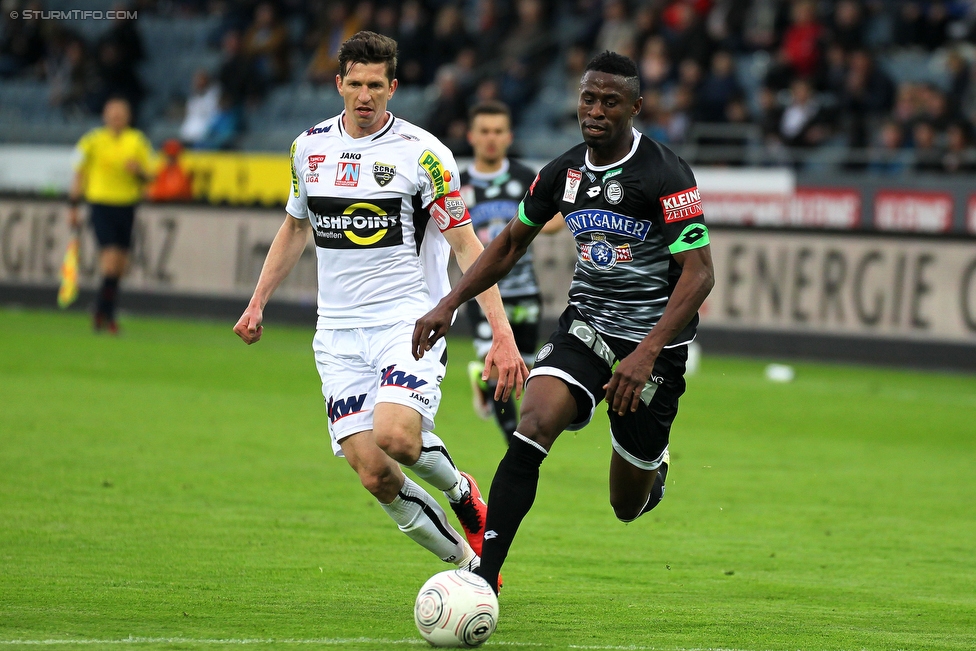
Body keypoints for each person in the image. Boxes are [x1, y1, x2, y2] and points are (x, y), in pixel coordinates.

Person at [413, 51, 715, 593]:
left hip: (653, 347)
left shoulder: (667, 173)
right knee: (531, 426)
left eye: (610, 101)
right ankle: (485, 575)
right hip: (587, 329)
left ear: (636, 108)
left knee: (627, 505)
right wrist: (450, 302)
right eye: (588, 98)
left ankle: (655, 467)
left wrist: (645, 353)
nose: (595, 110)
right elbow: (506, 245)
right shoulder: (563, 172)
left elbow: (699, 275)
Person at [233, 31, 528, 575]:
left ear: (392, 87)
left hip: (408, 321)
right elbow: (296, 226)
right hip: (338, 333)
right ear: (338, 83)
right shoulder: (308, 148)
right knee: (373, 471)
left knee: (396, 436)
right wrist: (258, 303)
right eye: (355, 84)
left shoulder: (425, 154)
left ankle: (463, 494)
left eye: (376, 85)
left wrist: (501, 334)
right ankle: (468, 567)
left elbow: (467, 245)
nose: (364, 95)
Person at [460, 100, 562, 442]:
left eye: (498, 131)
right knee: (498, 369)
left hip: (524, 288)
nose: (491, 138)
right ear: (471, 136)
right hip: (484, 292)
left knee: (526, 370)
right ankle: (512, 443)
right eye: (485, 131)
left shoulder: (525, 178)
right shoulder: (457, 184)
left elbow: (557, 219)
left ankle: (481, 381)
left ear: (509, 136)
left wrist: (520, 227)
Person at [68, 97, 154, 334]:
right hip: (101, 205)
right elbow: (78, 175)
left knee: (120, 266)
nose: (116, 118)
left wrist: (139, 172)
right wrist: (73, 206)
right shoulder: (92, 141)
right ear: (105, 116)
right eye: (112, 114)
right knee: (110, 260)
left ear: (128, 117)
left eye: (120, 114)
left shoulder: (136, 141)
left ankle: (101, 311)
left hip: (126, 207)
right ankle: (108, 314)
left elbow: (151, 175)